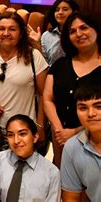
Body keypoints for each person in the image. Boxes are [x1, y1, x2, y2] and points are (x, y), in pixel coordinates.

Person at [0, 12, 48, 159]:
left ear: (21, 33)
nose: (6, 33)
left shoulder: (33, 56)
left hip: (23, 128)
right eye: (1, 29)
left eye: (12, 29)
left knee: (21, 171)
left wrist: (40, 124)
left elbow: (44, 94)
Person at [43, 12, 101, 168]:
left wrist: (74, 132)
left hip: (94, 138)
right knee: (63, 178)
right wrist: (59, 130)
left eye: (84, 28)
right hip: (59, 136)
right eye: (72, 31)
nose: (79, 34)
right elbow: (48, 99)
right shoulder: (60, 64)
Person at [0, 114, 60, 201]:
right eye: (10, 135)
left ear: (35, 137)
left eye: (22, 134)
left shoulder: (51, 173)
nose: (16, 141)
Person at [60, 79, 101, 201]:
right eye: (83, 108)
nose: (91, 114)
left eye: (98, 106)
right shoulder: (72, 147)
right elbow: (71, 198)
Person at [28, 0, 80, 66]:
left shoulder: (79, 34)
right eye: (57, 10)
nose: (60, 12)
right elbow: (43, 62)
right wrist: (37, 43)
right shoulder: (47, 35)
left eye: (65, 9)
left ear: (74, 12)